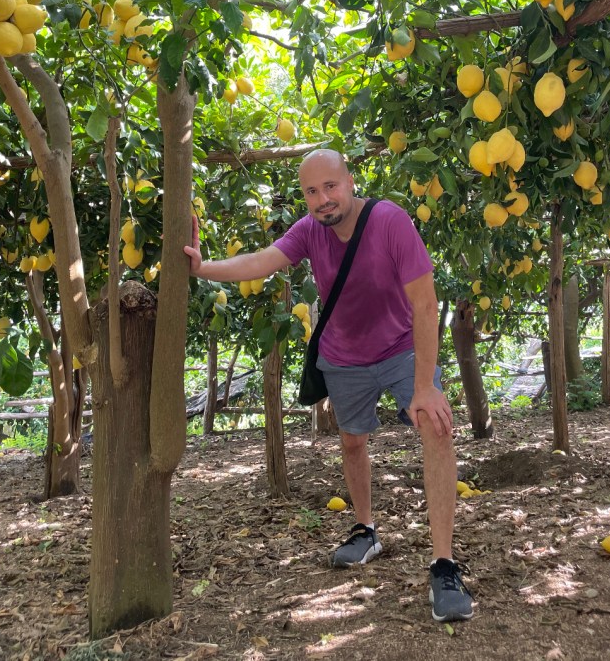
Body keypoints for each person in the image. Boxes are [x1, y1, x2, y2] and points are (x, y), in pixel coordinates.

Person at [184, 149, 473, 622]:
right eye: (311, 191)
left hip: (400, 348)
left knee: (436, 428)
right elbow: (263, 261)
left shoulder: (391, 222)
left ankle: (443, 565)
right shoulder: (308, 232)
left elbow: (424, 305)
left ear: (351, 181)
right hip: (343, 356)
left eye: (330, 186)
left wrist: (425, 386)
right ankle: (365, 530)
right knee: (352, 442)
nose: (322, 199)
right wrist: (203, 268)